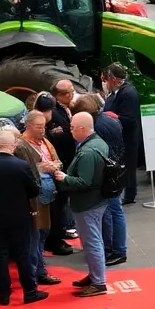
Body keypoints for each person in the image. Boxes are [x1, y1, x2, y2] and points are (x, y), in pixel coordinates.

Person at [0, 129, 48, 307]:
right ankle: (30, 292)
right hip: (19, 217)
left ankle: (4, 295)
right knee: (23, 254)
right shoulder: (21, 166)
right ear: (13, 146)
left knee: (1, 255)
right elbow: (34, 190)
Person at [54, 112, 110, 297]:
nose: (69, 131)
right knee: (94, 241)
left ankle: (99, 282)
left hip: (87, 204)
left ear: (81, 128)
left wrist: (64, 177)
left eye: (71, 128)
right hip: (97, 201)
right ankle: (95, 275)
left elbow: (84, 181)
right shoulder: (99, 142)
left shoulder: (87, 152)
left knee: (92, 242)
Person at [72, 94, 128, 268]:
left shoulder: (98, 128)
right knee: (115, 211)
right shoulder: (110, 120)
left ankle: (114, 250)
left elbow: (101, 155)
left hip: (108, 177)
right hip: (117, 173)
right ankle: (116, 249)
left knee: (111, 212)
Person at [13, 113, 62, 287]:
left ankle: (38, 271)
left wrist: (54, 166)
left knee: (43, 234)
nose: (43, 130)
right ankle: (36, 273)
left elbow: (57, 161)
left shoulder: (45, 142)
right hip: (35, 198)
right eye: (39, 127)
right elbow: (27, 172)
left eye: (44, 126)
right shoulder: (21, 146)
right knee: (36, 236)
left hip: (48, 194)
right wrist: (43, 168)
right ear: (28, 126)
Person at [43, 81, 78, 254]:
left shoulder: (62, 109)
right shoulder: (55, 114)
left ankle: (60, 231)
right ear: (62, 95)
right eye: (71, 92)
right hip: (61, 164)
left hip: (63, 164)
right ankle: (55, 240)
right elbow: (62, 140)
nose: (74, 94)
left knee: (62, 204)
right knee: (58, 204)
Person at [101, 64, 143, 204]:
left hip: (128, 136)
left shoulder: (128, 93)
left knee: (128, 165)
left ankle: (129, 194)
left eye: (106, 79)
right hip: (120, 137)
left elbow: (130, 119)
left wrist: (115, 117)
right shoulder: (117, 92)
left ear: (112, 78)